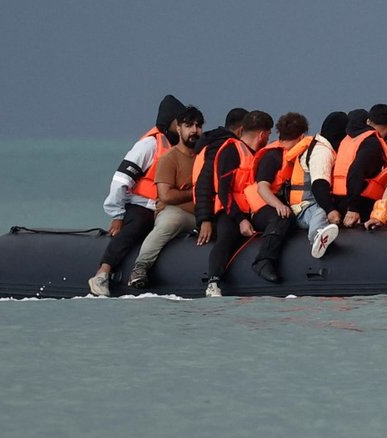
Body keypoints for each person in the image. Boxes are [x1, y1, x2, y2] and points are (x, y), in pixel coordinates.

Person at [87, 93, 188, 296]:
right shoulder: (149, 145)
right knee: (135, 229)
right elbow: (121, 180)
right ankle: (102, 273)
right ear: (169, 122)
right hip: (143, 205)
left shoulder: (182, 147)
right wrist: (117, 215)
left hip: (170, 206)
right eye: (180, 122)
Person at [126, 106, 205, 290]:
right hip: (176, 211)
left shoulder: (204, 157)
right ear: (178, 129)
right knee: (170, 222)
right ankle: (140, 267)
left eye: (198, 126)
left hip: (202, 213)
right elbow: (166, 195)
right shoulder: (169, 158)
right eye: (189, 125)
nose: (194, 130)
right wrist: (196, 193)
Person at [198, 109, 275, 296]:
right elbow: (224, 191)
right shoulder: (230, 151)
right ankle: (213, 281)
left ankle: (266, 260)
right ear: (262, 133)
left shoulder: (261, 154)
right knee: (226, 237)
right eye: (269, 134)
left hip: (254, 209)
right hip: (231, 210)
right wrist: (240, 219)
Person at [239, 112, 315, 283]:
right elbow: (262, 187)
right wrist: (279, 206)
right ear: (302, 136)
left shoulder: (294, 156)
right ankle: (263, 260)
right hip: (262, 207)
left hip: (280, 203)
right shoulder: (273, 156)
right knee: (282, 218)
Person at [288, 111, 346, 256]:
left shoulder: (320, 146)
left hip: (310, 203)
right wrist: (330, 210)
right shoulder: (322, 152)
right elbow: (319, 185)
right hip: (305, 206)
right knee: (321, 212)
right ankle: (317, 236)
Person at [332, 103, 387, 226]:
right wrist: (353, 209)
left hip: (340, 198)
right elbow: (355, 171)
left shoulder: (350, 138)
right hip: (360, 202)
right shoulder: (372, 143)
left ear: (368, 121)